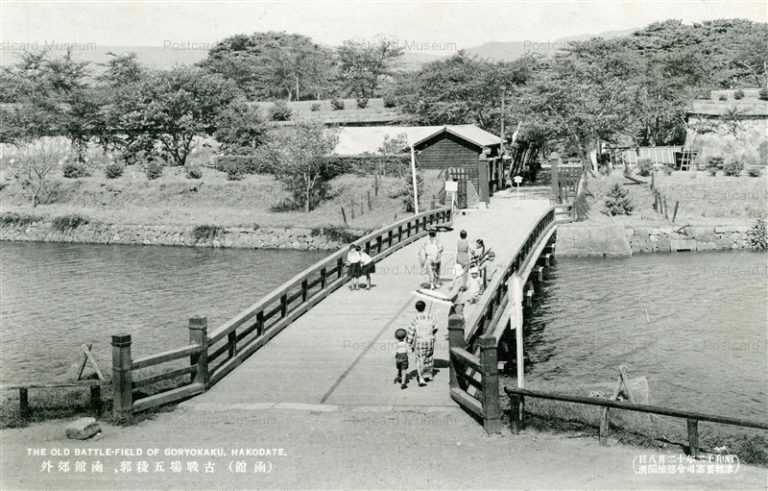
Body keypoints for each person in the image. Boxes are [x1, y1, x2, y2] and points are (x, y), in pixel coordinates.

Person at [406, 300, 438, 386]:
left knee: (420, 359)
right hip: (430, 340)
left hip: (420, 341)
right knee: (429, 357)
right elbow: (435, 328)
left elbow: (411, 332)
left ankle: (421, 378)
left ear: (416, 308)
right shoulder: (431, 316)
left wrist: (409, 344)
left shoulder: (415, 318)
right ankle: (428, 375)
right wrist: (431, 334)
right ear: (425, 307)